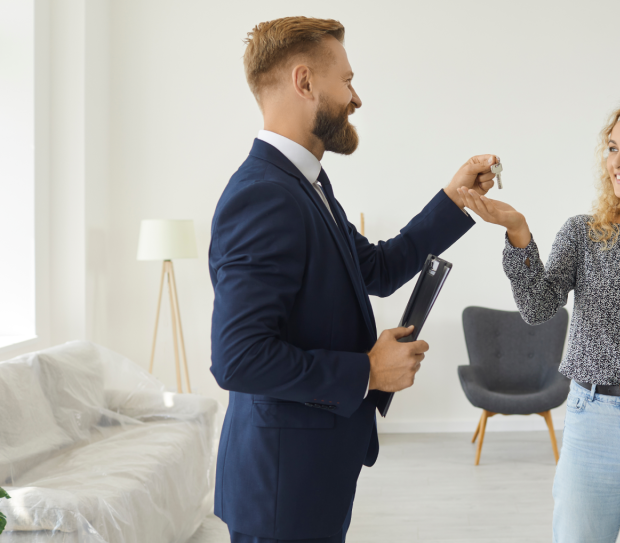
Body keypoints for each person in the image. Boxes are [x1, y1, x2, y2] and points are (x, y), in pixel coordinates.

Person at [209, 17, 497, 543]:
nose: (356, 98)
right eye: (346, 81)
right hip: (280, 493)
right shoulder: (265, 195)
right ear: (305, 82)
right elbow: (238, 358)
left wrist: (454, 199)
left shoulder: (307, 184)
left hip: (308, 481)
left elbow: (377, 270)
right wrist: (367, 370)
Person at [458, 96, 620, 543]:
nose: (618, 161)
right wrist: (517, 231)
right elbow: (537, 308)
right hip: (592, 420)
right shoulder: (583, 233)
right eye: (612, 147)